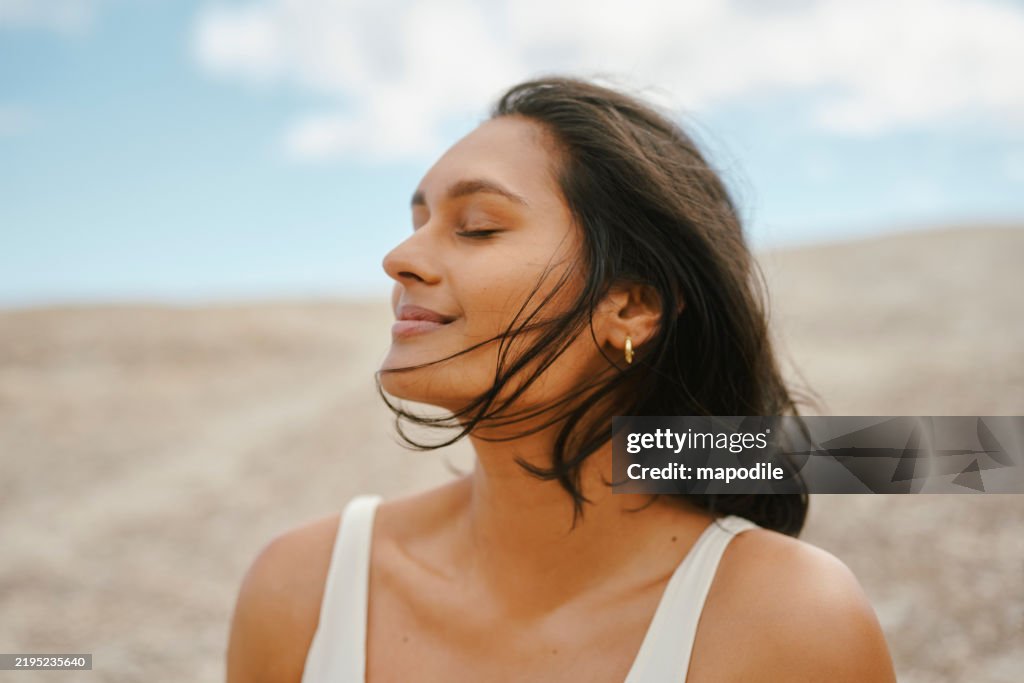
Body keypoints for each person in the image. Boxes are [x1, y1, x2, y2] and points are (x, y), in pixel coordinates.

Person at [226, 76, 897, 682]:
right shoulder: (302, 587)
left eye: (478, 228)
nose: (399, 258)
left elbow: (961, 455)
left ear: (631, 306)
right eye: (418, 223)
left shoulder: (792, 622)